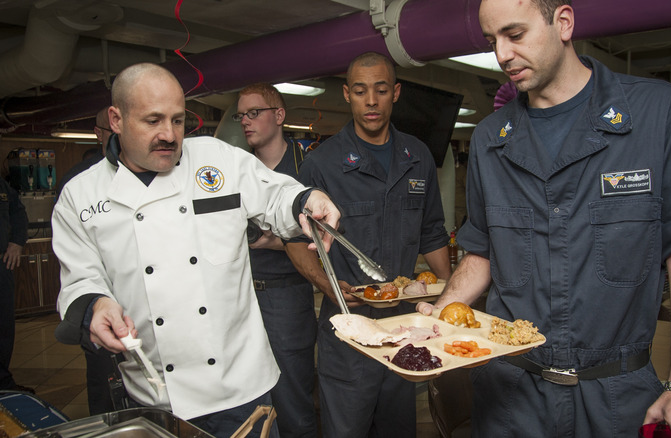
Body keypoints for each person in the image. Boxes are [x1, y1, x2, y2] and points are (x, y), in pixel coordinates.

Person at [417, 1, 671, 437]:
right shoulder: (490, 139)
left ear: (562, 23)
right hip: (511, 397)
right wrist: (442, 313)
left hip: (616, 396)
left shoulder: (656, 114)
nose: (502, 54)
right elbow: (482, 252)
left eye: (515, 35)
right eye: (492, 42)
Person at [52, 62, 341, 438]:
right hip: (155, 392)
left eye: (177, 120)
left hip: (241, 385)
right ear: (116, 119)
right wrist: (95, 304)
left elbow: (278, 196)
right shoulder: (80, 195)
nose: (169, 136)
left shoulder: (217, 158)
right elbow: (79, 278)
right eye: (153, 121)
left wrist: (308, 198)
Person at [286, 51, 451, 438]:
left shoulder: (418, 157)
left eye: (380, 90)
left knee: (397, 429)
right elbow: (294, 241)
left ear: (395, 93)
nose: (371, 101)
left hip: (404, 327)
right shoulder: (321, 164)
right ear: (347, 95)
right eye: (361, 91)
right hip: (348, 332)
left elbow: (432, 232)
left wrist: (450, 298)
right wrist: (330, 288)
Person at [235, 83, 318, 438]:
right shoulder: (237, 171)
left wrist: (274, 242)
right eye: (241, 116)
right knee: (250, 400)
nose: (245, 122)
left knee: (293, 397)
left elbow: (320, 239)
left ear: (279, 115)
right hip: (241, 298)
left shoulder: (307, 169)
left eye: (254, 113)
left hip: (286, 296)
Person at [56, 106, 120, 415]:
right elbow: (73, 251)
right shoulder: (77, 183)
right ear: (99, 133)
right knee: (105, 388)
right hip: (100, 303)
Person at [0, 177, 29, 393]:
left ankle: (3, 383)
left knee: (4, 326)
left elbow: (18, 212)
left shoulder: (2, 185)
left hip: (1, 265)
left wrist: (17, 241)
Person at [56, 107, 111, 199]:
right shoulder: (74, 180)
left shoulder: (140, 171)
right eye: (113, 130)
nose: (120, 135)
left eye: (124, 129)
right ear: (99, 133)